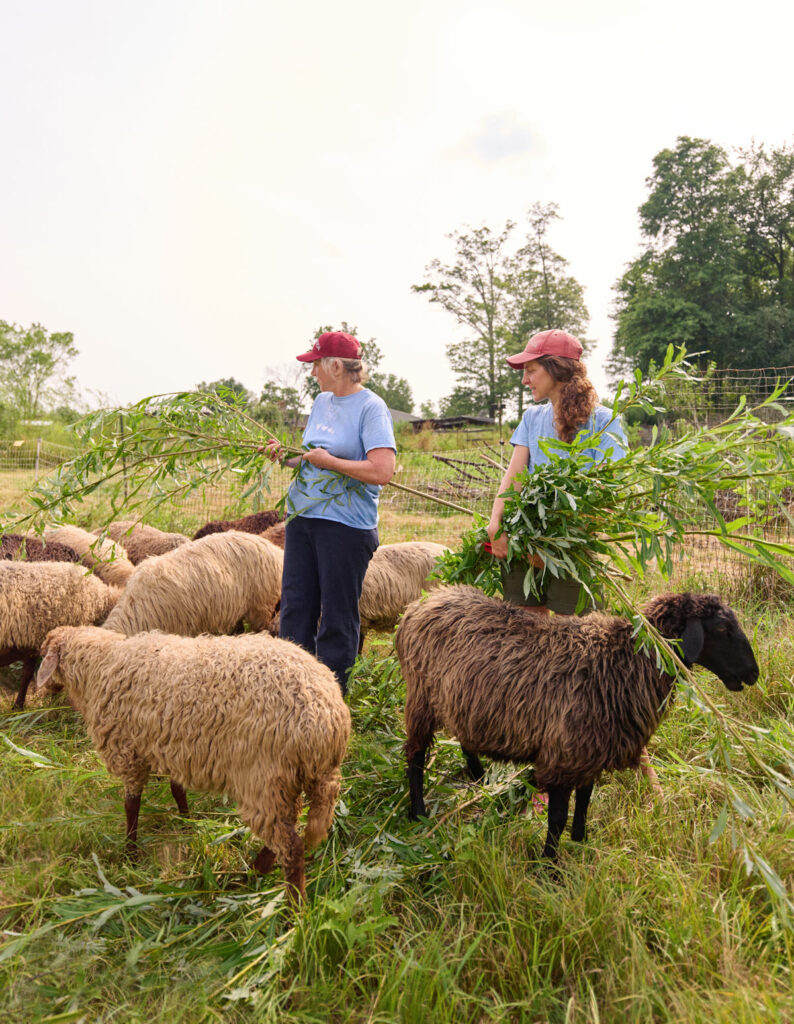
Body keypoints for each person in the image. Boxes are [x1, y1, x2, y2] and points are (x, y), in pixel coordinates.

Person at [266, 331, 396, 696]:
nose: (312, 373)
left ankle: (330, 698)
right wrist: (285, 455)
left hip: (344, 526)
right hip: (304, 517)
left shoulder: (372, 408)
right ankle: (292, 689)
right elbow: (313, 456)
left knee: (337, 616)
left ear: (335, 366)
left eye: (315, 365)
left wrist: (331, 462)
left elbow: (382, 470)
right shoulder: (323, 403)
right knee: (295, 606)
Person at [487, 328, 627, 615]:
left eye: (531, 370)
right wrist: (496, 524)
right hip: (524, 539)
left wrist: (552, 548)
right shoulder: (532, 417)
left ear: (557, 369)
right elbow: (513, 479)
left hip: (573, 548)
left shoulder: (603, 421)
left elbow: (606, 494)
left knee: (573, 636)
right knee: (524, 630)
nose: (525, 380)